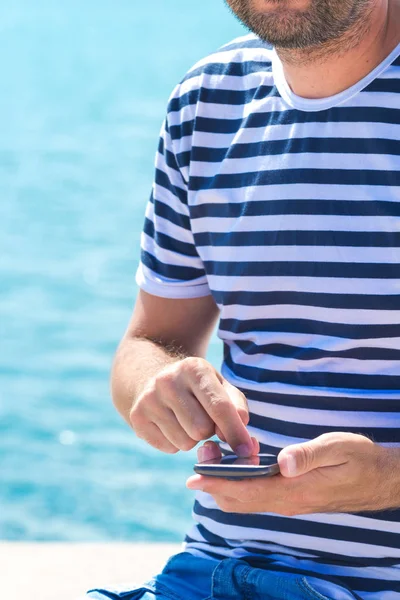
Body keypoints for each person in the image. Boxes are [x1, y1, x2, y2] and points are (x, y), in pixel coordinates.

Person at [86, 0, 400, 598]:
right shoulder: (204, 102)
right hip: (212, 572)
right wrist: (164, 384)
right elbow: (147, 342)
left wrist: (388, 480)